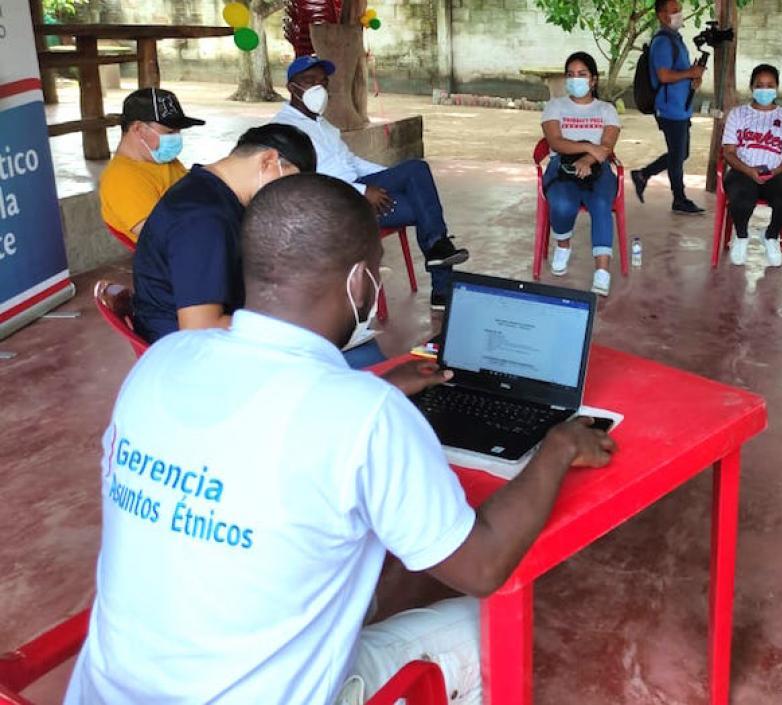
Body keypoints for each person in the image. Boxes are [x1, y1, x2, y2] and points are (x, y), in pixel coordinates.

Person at [65, 173, 617, 705]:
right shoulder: (363, 415)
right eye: (376, 270)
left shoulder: (163, 358)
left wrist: (367, 387)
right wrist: (560, 447)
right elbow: (483, 565)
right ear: (360, 283)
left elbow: (260, 426)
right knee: (488, 625)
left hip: (108, 689)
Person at [274, 55, 470, 310]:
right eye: (309, 81)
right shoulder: (283, 128)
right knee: (420, 210)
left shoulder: (323, 124)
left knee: (415, 171)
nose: (318, 89)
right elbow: (307, 181)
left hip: (357, 185)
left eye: (323, 82)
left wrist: (389, 182)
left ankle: (438, 255)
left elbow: (351, 161)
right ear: (292, 87)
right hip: (336, 203)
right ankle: (441, 283)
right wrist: (362, 191)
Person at [131, 124, 315, 345]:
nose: (288, 199)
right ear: (267, 161)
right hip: (186, 352)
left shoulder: (208, 189)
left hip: (193, 336)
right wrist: (291, 328)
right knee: (348, 353)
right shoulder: (203, 218)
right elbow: (199, 328)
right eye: (290, 185)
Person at [540, 51, 622, 296]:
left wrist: (589, 158)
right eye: (571, 75)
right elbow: (555, 142)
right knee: (563, 204)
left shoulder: (606, 110)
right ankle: (563, 245)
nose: (576, 80)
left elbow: (607, 146)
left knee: (600, 204)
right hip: (562, 166)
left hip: (598, 167)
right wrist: (588, 146)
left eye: (582, 75)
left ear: (593, 80)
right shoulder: (555, 106)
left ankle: (602, 271)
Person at [720, 63, 782, 268]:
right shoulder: (738, 115)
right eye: (760, 85)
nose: (765, 90)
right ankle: (741, 236)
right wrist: (748, 170)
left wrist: (775, 171)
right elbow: (728, 152)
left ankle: (771, 236)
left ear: (777, 88)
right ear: (752, 87)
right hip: (742, 170)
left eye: (769, 85)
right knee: (741, 199)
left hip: (774, 173)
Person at [630, 0, 707, 215]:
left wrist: (692, 79)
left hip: (680, 107)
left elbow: (678, 72)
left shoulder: (675, 40)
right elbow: (663, 75)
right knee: (677, 154)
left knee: (681, 153)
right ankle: (679, 199)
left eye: (680, 10)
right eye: (674, 11)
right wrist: (689, 74)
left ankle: (643, 175)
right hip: (670, 109)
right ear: (662, 15)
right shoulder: (663, 42)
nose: (679, 14)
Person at [98, 88, 204, 243]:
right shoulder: (121, 179)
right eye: (169, 132)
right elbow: (164, 236)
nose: (176, 138)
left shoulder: (160, 159)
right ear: (139, 129)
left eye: (178, 132)